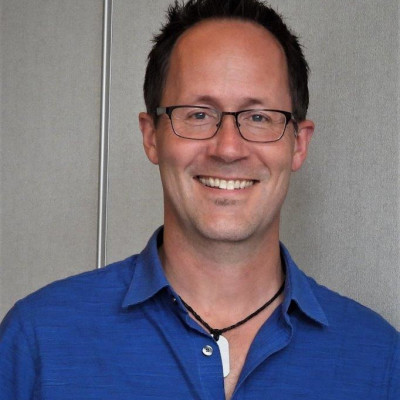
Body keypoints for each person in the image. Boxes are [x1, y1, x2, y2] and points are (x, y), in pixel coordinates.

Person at [1, 0, 399, 398]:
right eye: (198, 114)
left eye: (259, 117)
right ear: (151, 136)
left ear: (299, 144)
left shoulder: (380, 362)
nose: (228, 149)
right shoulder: (37, 343)